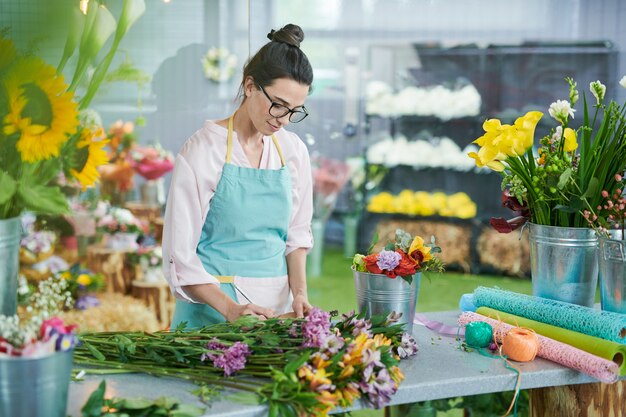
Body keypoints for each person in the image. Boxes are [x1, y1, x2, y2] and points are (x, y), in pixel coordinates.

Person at [162, 24, 315, 329]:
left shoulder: (292, 150)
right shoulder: (203, 151)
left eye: (294, 111)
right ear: (249, 86)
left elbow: (297, 236)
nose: (283, 120)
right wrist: (230, 309)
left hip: (274, 315)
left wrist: (299, 294)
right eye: (278, 105)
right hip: (212, 315)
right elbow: (179, 256)